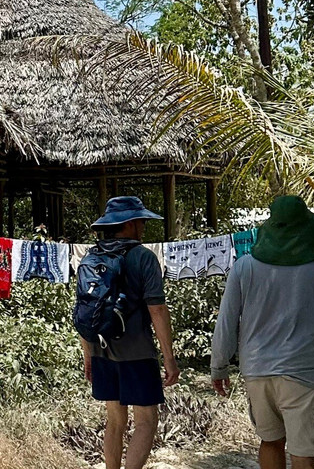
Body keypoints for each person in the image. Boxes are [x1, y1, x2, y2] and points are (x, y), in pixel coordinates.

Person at [211, 195, 314, 469]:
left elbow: (225, 321)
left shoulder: (244, 267)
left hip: (257, 370)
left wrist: (218, 367)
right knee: (303, 449)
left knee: (270, 441)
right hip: (303, 372)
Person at [80, 196, 180, 469]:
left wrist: (88, 354)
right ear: (132, 224)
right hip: (137, 352)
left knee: (115, 421)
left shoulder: (91, 257)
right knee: (146, 421)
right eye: (142, 221)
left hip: (101, 349)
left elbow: (84, 309)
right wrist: (169, 358)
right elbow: (157, 309)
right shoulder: (144, 257)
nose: (144, 226)